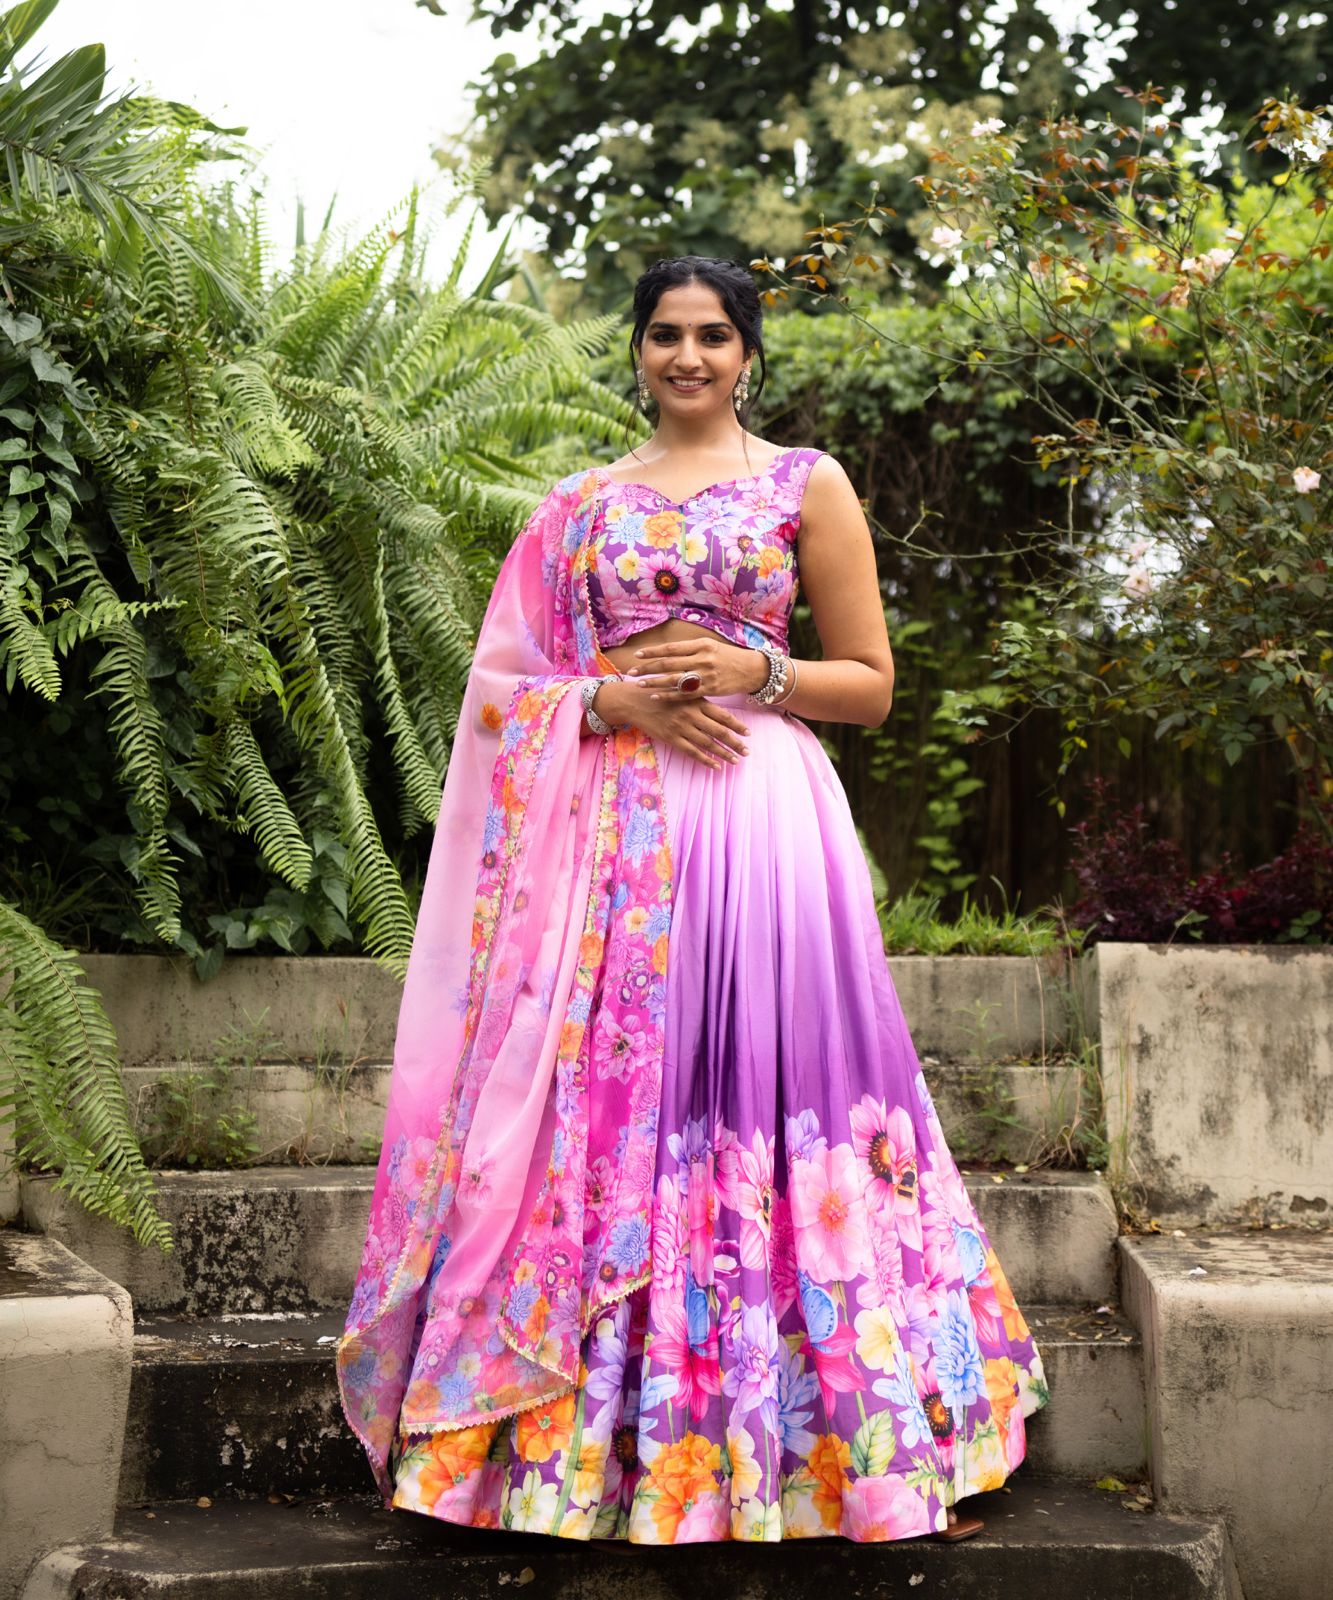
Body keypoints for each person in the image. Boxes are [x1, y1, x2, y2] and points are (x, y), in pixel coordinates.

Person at [337, 255, 1048, 1545]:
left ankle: (826, 1439)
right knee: (613, 1104)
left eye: (713, 336)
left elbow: (873, 684)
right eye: (665, 335)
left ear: (748, 353)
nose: (688, 357)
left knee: (775, 1089)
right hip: (613, 840)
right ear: (639, 351)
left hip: (767, 827)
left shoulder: (805, 484)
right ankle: (591, 1448)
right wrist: (605, 701)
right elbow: (502, 692)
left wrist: (750, 668)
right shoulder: (580, 506)